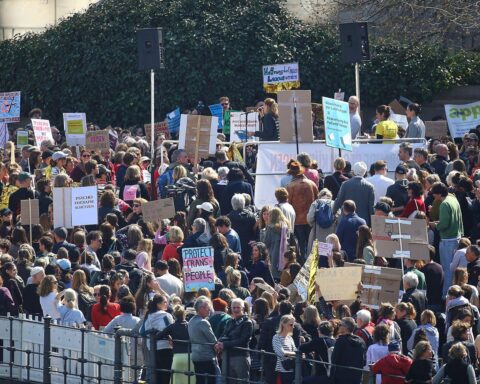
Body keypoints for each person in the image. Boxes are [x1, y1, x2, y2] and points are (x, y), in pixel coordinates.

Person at [428, 182, 463, 295]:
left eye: (434, 194)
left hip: (447, 241)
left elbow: (443, 225)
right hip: (456, 238)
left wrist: (433, 225)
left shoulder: (444, 204)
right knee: (453, 270)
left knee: (447, 270)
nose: (433, 196)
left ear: (438, 194)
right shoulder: (453, 198)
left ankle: (446, 295)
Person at [285, 160, 318, 261]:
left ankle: (302, 265)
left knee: (300, 245)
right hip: (310, 220)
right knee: (310, 244)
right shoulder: (312, 184)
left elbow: (288, 205)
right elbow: (317, 200)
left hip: (297, 221)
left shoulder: (290, 186)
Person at [215, 298, 253, 383]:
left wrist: (224, 344)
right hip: (227, 356)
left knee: (241, 381)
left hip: (240, 356)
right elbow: (224, 335)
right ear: (231, 309)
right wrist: (218, 343)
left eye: (238, 308)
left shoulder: (247, 323)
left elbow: (243, 340)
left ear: (242, 308)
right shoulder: (230, 321)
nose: (235, 310)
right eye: (234, 308)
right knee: (227, 381)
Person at [143, 294, 174, 384]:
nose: (167, 303)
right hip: (165, 347)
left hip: (152, 347)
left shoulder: (149, 316)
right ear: (158, 304)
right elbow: (170, 329)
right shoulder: (166, 315)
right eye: (165, 302)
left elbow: (144, 330)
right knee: (166, 374)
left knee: (156, 374)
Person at [188, 296, 219, 384]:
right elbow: (213, 340)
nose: (209, 310)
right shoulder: (203, 322)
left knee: (200, 381)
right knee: (210, 381)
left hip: (196, 356)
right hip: (206, 357)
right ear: (201, 308)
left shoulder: (191, 321)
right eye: (207, 308)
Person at [333, 161, 375, 226]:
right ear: (364, 173)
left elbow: (338, 201)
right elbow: (371, 207)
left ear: (353, 172)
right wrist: (372, 224)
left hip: (347, 220)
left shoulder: (345, 184)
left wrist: (333, 212)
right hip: (364, 222)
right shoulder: (370, 187)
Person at [330, 317, 366, 384]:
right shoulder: (361, 341)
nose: (338, 326)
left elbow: (334, 359)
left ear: (345, 327)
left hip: (342, 378)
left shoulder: (341, 341)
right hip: (356, 377)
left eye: (340, 325)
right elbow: (363, 361)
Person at [227, 194, 256, 267]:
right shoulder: (251, 216)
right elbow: (255, 231)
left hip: (234, 247)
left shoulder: (229, 217)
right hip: (248, 246)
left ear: (232, 204)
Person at [272, 314, 297, 384]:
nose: (293, 327)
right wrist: (296, 354)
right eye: (291, 325)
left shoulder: (290, 338)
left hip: (292, 369)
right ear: (283, 324)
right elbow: (281, 353)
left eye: (293, 325)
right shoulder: (276, 337)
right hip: (282, 371)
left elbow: (295, 350)